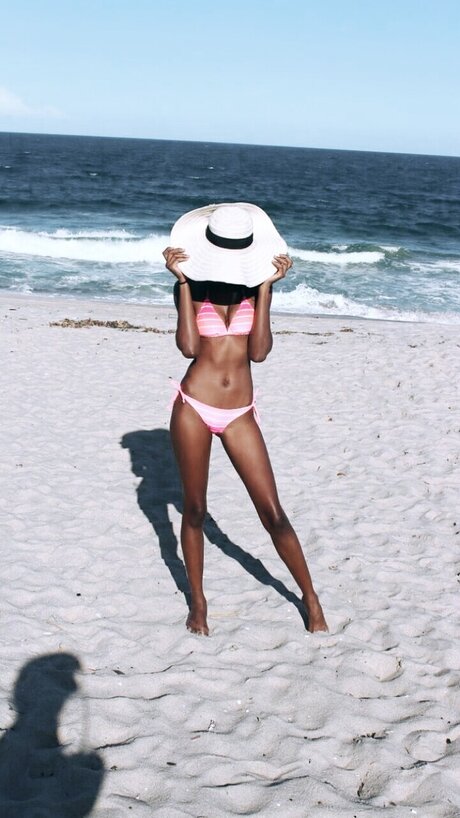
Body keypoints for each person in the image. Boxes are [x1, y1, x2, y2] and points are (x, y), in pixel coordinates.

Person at [163, 203, 327, 635]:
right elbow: (188, 348)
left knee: (273, 512)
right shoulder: (190, 288)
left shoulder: (256, 293)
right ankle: (199, 602)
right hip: (193, 407)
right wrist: (182, 283)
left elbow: (259, 353)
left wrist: (267, 290)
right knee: (195, 508)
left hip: (239, 413)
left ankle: (311, 599)